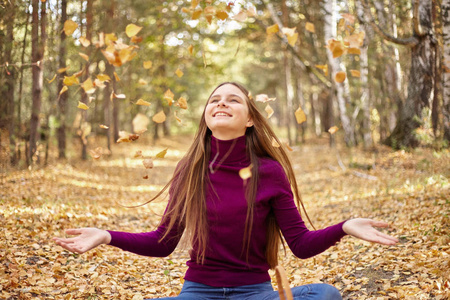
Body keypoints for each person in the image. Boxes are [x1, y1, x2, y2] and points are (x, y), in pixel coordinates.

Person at [53, 82, 398, 300]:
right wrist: (106, 236)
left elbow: (301, 246)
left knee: (325, 295)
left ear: (249, 119)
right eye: (215, 100)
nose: (221, 103)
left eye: (233, 100)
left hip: (254, 292)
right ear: (205, 117)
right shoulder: (189, 169)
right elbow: (163, 242)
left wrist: (344, 227)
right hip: (199, 291)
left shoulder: (269, 171)